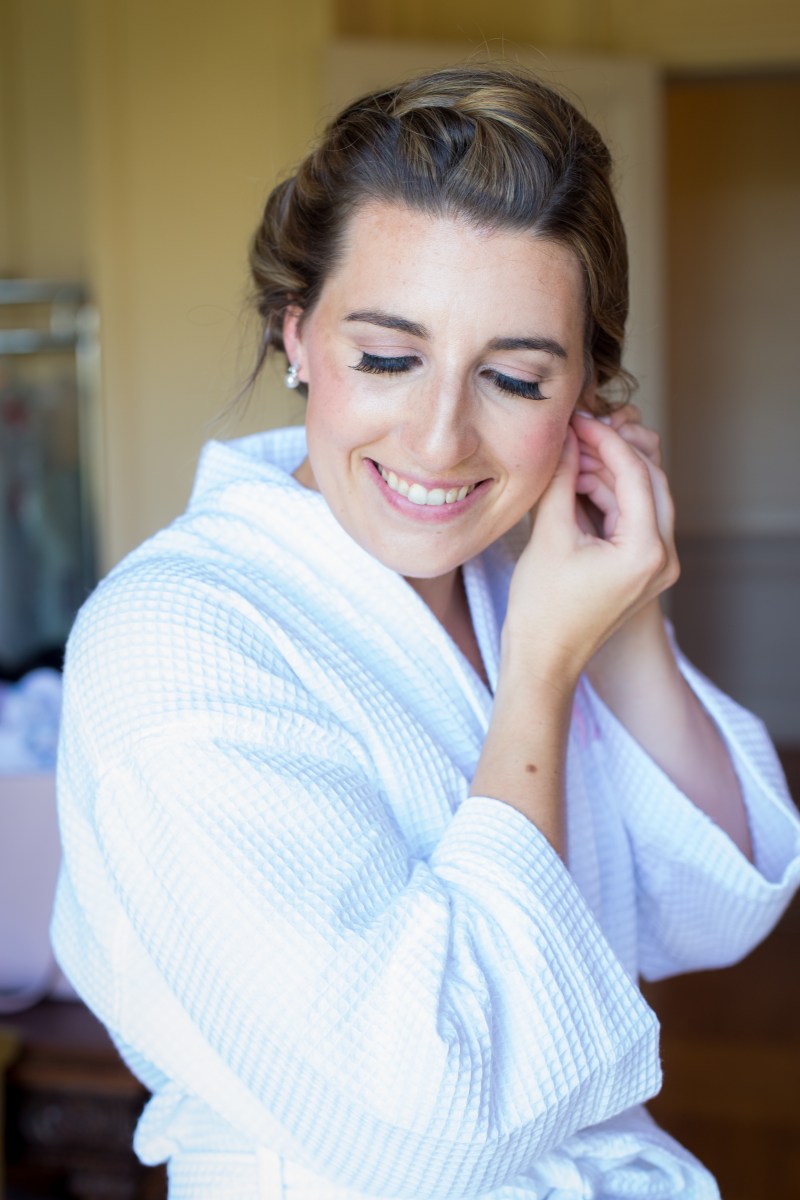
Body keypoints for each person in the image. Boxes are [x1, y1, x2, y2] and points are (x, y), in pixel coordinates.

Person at [52, 63, 800, 1199]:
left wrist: (626, 615)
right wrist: (539, 675)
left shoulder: (516, 587)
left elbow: (708, 909)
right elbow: (432, 1121)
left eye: (514, 378)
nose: (440, 439)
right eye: (388, 359)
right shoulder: (173, 641)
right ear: (298, 338)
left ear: (585, 401)